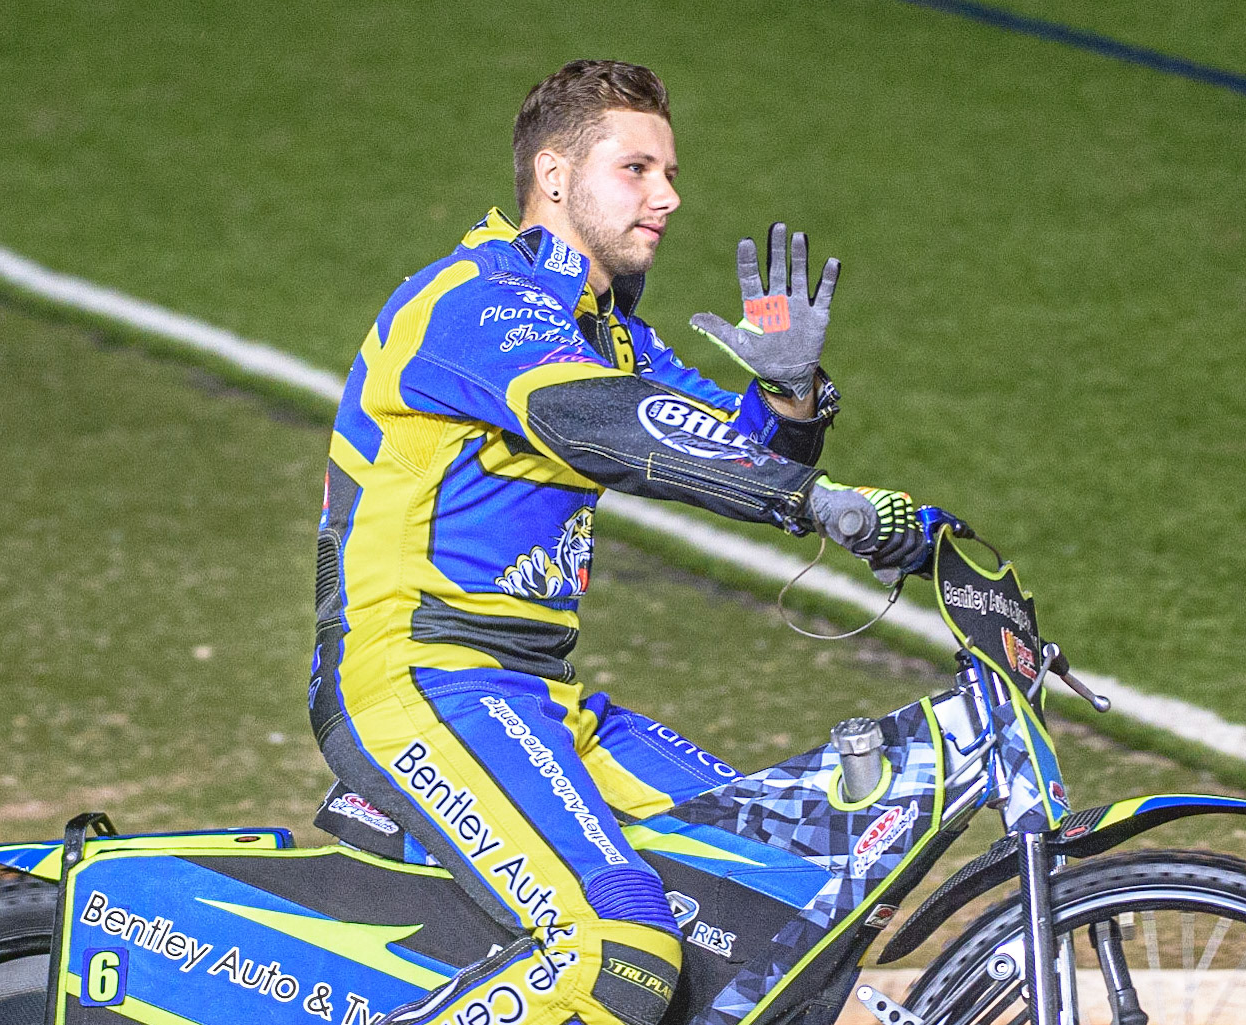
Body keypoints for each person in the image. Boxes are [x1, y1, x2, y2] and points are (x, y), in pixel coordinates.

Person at [308, 59, 933, 1025]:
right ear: (553, 178)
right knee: (620, 945)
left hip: (532, 692)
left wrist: (789, 396)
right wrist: (820, 500)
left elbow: (728, 448)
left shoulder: (608, 336)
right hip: (415, 680)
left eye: (671, 173)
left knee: (779, 889)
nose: (670, 197)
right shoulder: (475, 302)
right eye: (638, 169)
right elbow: (609, 421)